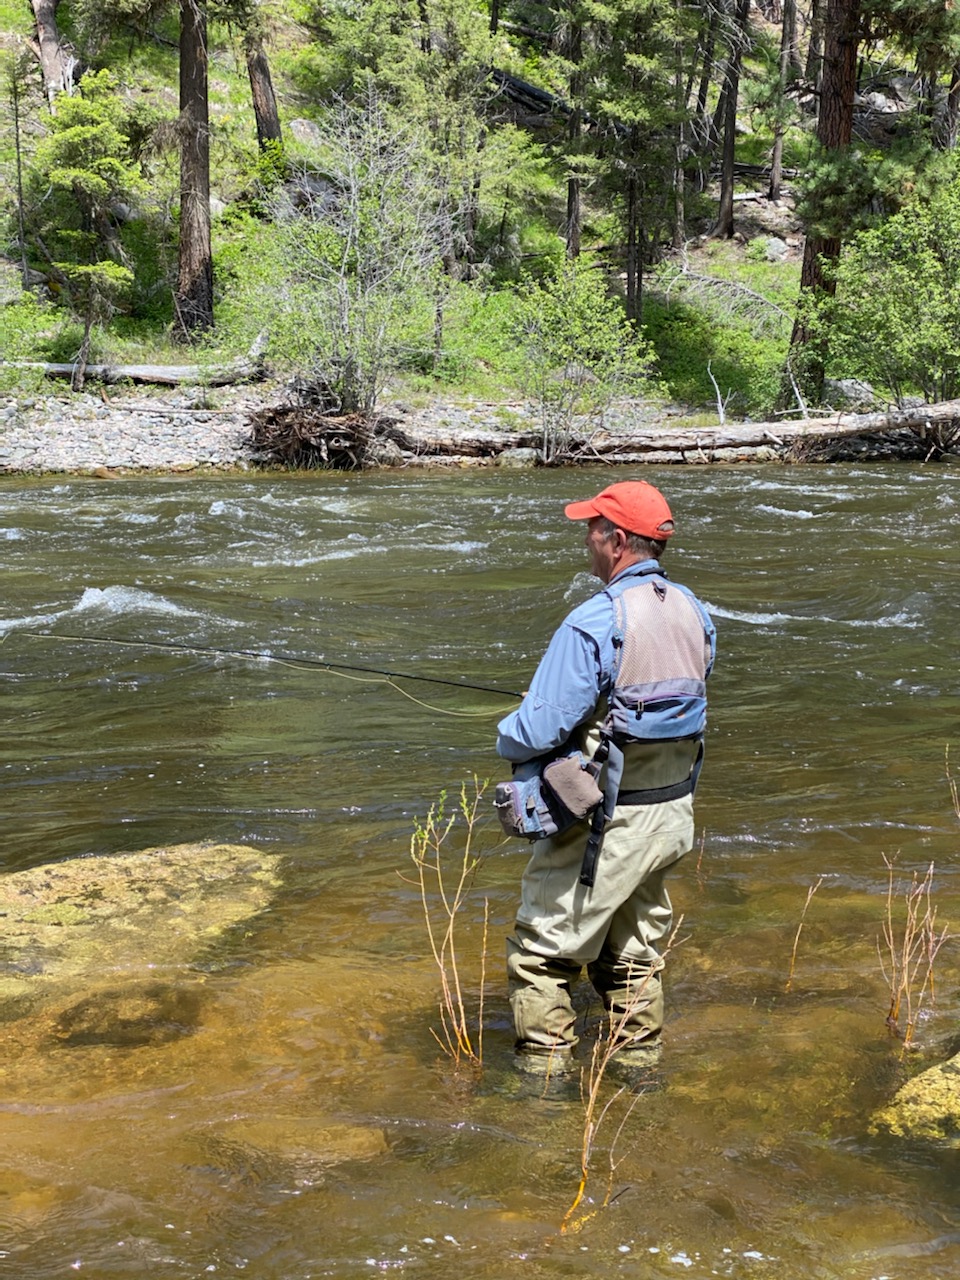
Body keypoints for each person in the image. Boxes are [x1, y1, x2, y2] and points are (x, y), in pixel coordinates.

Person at [496, 480, 716, 1075]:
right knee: (633, 957)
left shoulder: (594, 620)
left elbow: (532, 734)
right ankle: (639, 1080)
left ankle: (541, 1097)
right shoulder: (694, 611)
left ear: (616, 540)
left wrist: (510, 724)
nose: (586, 540)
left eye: (591, 529)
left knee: (541, 959)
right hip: (668, 819)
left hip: (600, 826)